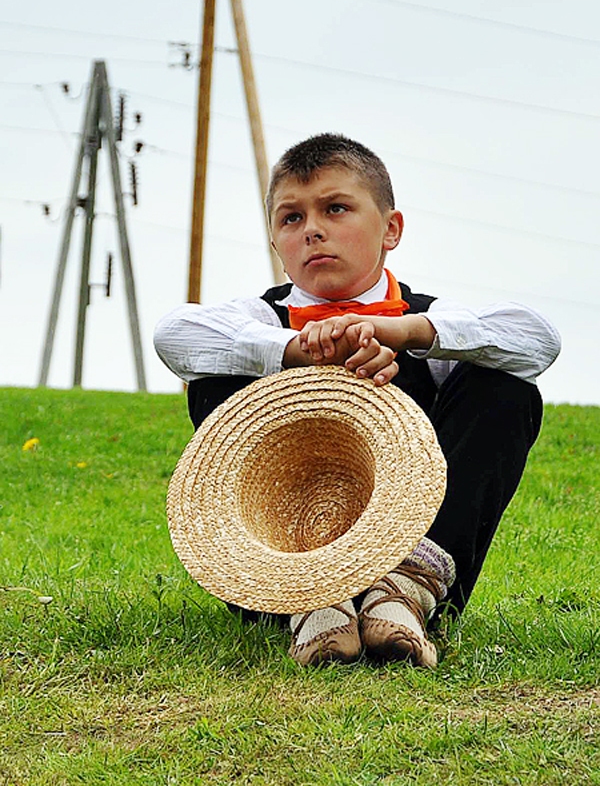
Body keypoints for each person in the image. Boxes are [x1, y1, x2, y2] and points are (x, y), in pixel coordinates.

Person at [154, 133, 560, 669]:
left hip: (409, 561)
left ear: (390, 229)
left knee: (505, 385)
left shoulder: (426, 318)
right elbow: (172, 335)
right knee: (219, 371)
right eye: (290, 219)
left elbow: (537, 339)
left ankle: (408, 589)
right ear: (276, 242)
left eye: (336, 208)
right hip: (279, 574)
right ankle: (312, 603)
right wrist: (297, 349)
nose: (313, 230)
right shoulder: (261, 316)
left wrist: (400, 332)